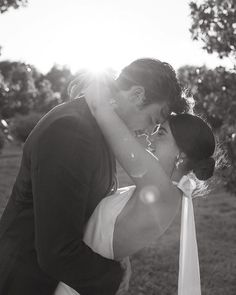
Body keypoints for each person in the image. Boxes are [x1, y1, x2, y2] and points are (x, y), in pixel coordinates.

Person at [0, 58, 191, 295]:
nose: (149, 131)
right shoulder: (71, 131)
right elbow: (56, 251)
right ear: (137, 94)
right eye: (153, 120)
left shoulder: (98, 127)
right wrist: (114, 277)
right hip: (27, 280)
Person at [55, 78, 216, 295]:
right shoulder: (166, 191)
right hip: (79, 276)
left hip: (74, 286)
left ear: (181, 155)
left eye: (161, 133)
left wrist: (97, 81)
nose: (151, 136)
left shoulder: (161, 190)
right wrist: (123, 263)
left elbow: (104, 114)